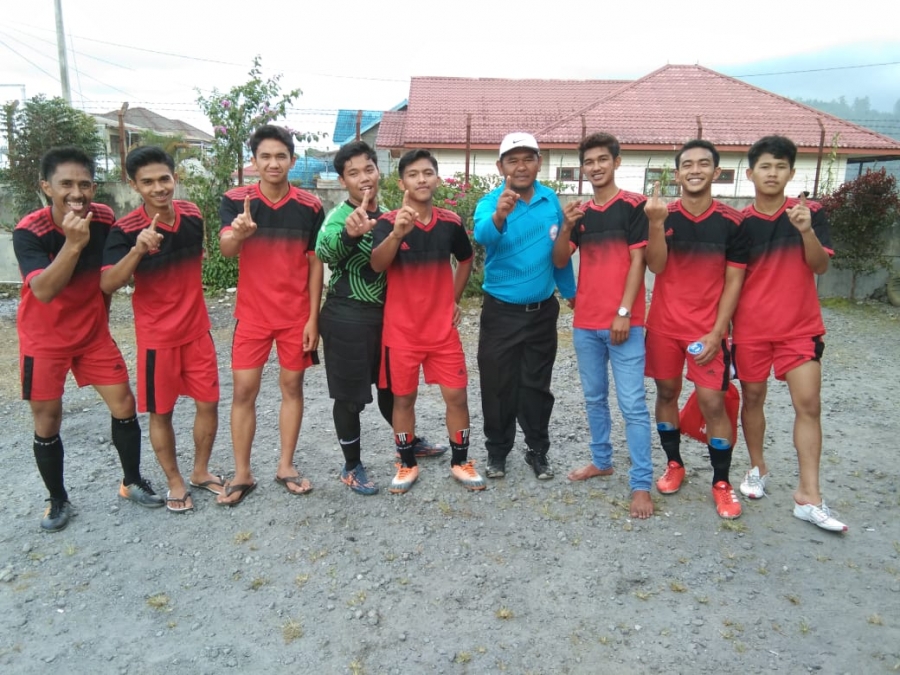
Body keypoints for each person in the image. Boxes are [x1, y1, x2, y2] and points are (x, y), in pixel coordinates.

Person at [14, 146, 163, 532]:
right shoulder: (30, 231)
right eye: (66, 184)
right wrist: (72, 243)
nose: (76, 193)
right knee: (47, 420)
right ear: (47, 187)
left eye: (84, 184)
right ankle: (58, 500)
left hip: (92, 336)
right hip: (43, 340)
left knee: (124, 403)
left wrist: (102, 310)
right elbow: (43, 291)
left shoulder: (104, 218)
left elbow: (108, 275)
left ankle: (131, 481)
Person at [315, 141, 447, 496]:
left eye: (368, 169)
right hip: (348, 317)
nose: (364, 178)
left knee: (393, 387)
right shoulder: (340, 217)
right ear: (343, 181)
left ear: (379, 171)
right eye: (353, 173)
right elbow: (323, 251)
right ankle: (352, 465)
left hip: (389, 319)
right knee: (350, 396)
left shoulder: (392, 213)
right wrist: (349, 234)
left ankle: (408, 442)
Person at [732, 135, 847, 532]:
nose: (772, 173)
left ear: (791, 173)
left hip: (799, 329)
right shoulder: (741, 223)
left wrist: (806, 231)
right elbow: (732, 280)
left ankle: (809, 495)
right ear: (750, 173)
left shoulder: (809, 212)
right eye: (765, 166)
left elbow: (820, 268)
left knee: (809, 404)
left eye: (781, 166)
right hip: (750, 330)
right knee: (753, 398)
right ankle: (757, 468)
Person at [100, 146, 221, 513]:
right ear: (134, 185)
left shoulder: (193, 215)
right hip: (157, 340)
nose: (158, 188)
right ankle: (174, 480)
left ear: (175, 178)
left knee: (209, 403)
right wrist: (137, 251)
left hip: (197, 331)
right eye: (148, 182)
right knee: (161, 412)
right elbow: (107, 284)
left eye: (164, 179)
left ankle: (200, 471)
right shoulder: (124, 230)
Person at [216, 125, 324, 505]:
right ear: (254, 162)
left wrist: (314, 319)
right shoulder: (235, 200)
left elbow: (314, 264)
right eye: (265, 156)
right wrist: (240, 232)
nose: (273, 163)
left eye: (281, 156)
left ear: (292, 161)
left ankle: (286, 465)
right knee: (244, 391)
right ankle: (242, 473)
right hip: (253, 316)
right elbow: (226, 249)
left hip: (295, 317)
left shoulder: (310, 206)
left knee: (292, 389)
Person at [644, 139, 749, 519]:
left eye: (703, 164)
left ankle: (721, 482)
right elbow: (656, 266)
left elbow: (735, 281)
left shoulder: (732, 222)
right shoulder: (662, 214)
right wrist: (656, 223)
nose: (695, 170)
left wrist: (717, 332)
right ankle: (674, 464)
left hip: (708, 331)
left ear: (716, 172)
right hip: (664, 326)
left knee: (712, 402)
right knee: (667, 391)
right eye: (687, 164)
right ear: (677, 174)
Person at [370, 149, 485, 494]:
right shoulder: (389, 222)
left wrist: (453, 299)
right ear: (401, 181)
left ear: (436, 178)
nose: (421, 179)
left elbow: (466, 260)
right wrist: (397, 235)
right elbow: (377, 265)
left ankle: (460, 461)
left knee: (457, 397)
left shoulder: (449, 222)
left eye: (428, 172)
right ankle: (406, 464)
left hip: (442, 332)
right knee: (403, 400)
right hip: (401, 332)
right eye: (413, 174)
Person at [552, 132, 654, 519]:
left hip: (625, 323)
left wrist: (625, 313)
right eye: (588, 162)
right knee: (594, 398)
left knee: (632, 404)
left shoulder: (634, 207)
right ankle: (602, 460)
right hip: (585, 324)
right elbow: (561, 261)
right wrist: (566, 226)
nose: (595, 167)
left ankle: (641, 484)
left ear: (616, 161)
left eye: (601, 160)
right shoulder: (580, 213)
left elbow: (639, 264)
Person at [473, 132, 576, 480]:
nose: (521, 166)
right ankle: (497, 452)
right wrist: (500, 216)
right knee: (497, 384)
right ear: (501, 166)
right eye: (513, 160)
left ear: (539, 162)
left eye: (528, 158)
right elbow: (483, 237)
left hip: (541, 312)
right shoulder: (490, 202)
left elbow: (560, 256)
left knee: (536, 386)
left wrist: (572, 294)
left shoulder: (550, 201)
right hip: (501, 312)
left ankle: (537, 450)